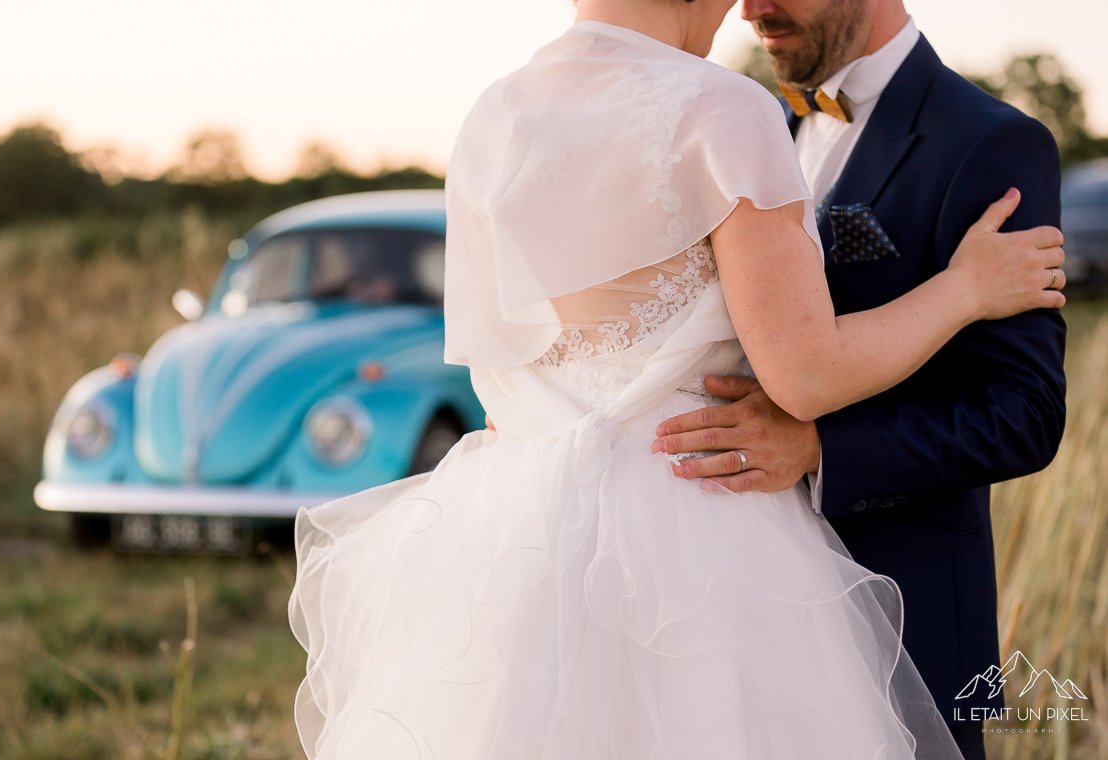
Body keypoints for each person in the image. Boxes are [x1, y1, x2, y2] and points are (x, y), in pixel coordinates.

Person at [287, 1, 1065, 757]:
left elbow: (498, 379)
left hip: (521, 552)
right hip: (716, 555)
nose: (748, 6)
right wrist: (962, 291)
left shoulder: (493, 115)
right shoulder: (726, 107)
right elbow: (805, 372)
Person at [651, 3, 1067, 758]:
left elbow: (1023, 412)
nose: (752, 7)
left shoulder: (991, 142)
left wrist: (820, 448)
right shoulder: (750, 130)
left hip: (904, 612)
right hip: (730, 603)